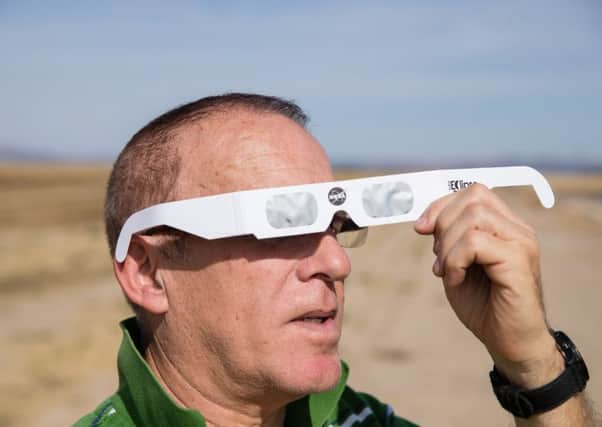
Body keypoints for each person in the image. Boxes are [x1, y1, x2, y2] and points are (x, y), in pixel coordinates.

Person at [75, 93, 594, 427]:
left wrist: (534, 367)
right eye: (282, 223)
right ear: (148, 272)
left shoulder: (362, 422)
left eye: (338, 227)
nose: (337, 264)